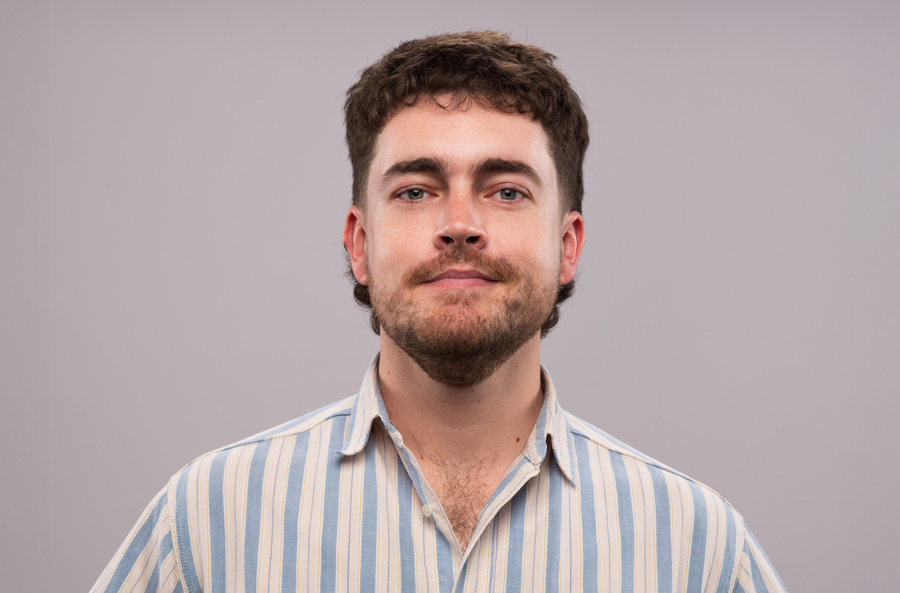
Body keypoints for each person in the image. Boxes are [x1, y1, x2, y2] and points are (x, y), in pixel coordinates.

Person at [92, 31, 787, 593]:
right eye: (418, 190)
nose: (460, 224)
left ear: (567, 245)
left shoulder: (695, 546)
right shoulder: (211, 521)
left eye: (507, 191)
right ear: (360, 244)